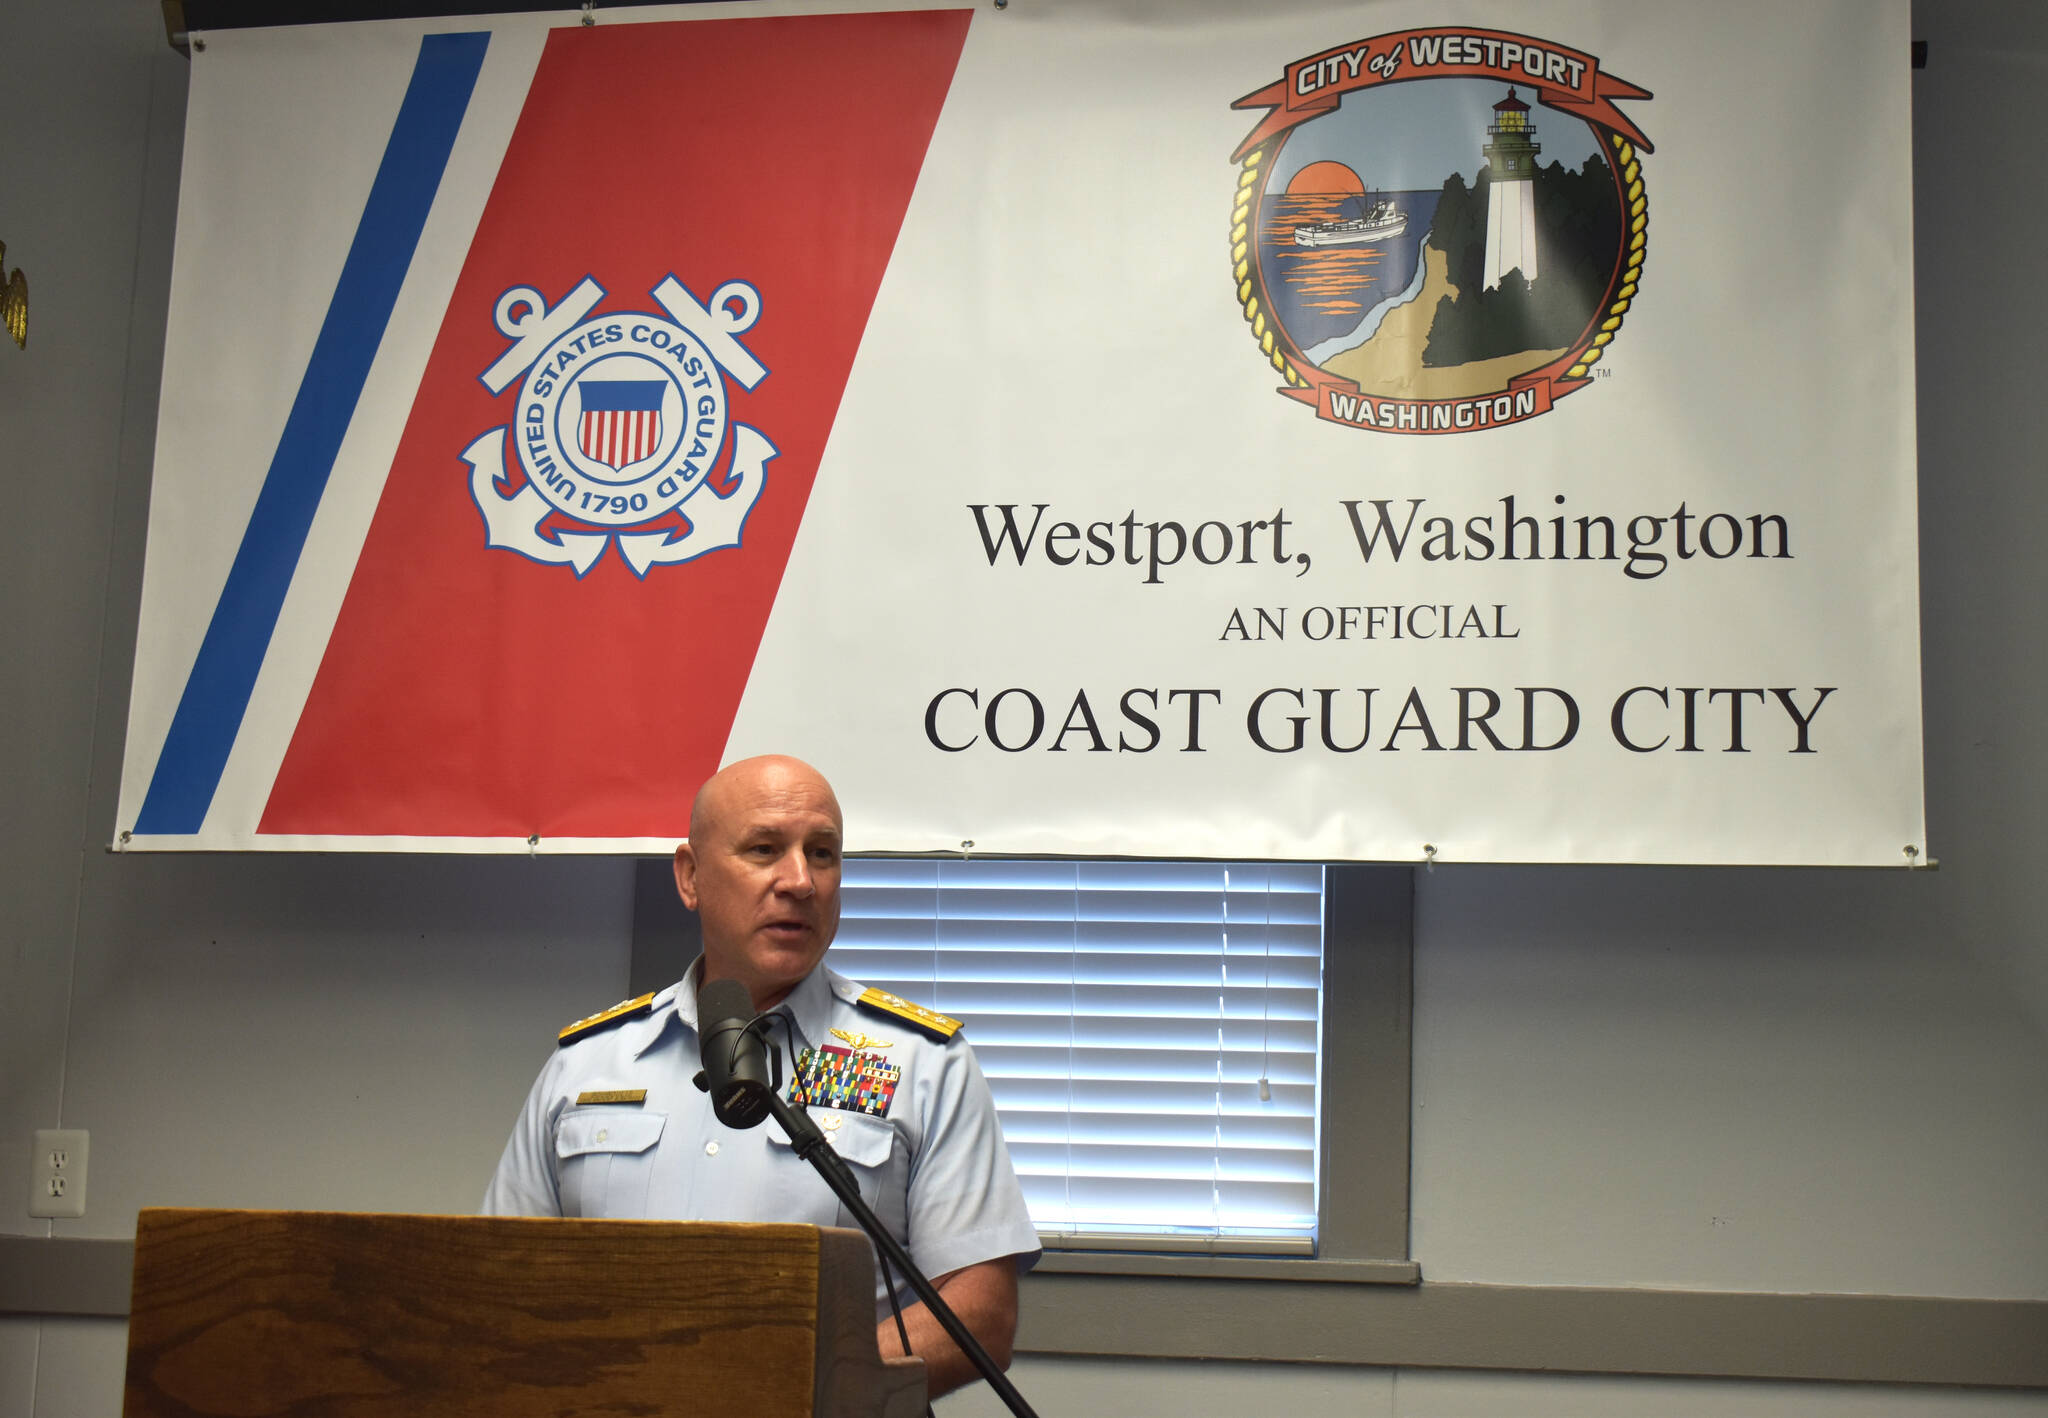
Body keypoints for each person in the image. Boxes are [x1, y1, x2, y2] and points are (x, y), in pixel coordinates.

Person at [482, 754, 1039, 1397]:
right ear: (691, 878)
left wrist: (776, 1385)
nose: (800, 880)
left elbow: (980, 1314)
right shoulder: (586, 1065)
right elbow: (498, 1288)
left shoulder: (921, 1063)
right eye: (765, 849)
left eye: (823, 853)